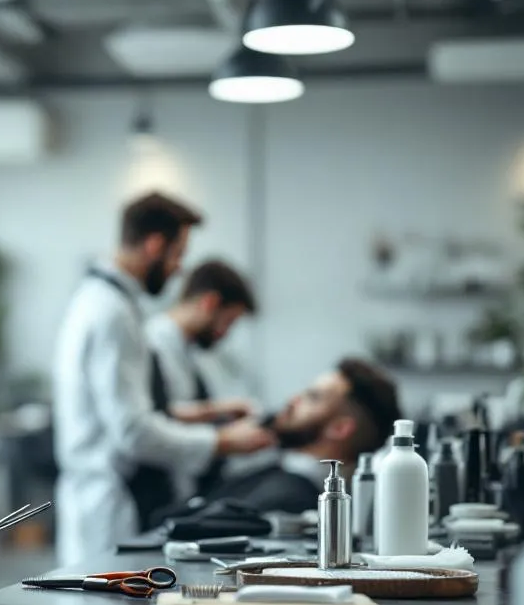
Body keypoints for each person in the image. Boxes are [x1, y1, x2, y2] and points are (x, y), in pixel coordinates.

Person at [50, 192, 276, 567]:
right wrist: (221, 441)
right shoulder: (112, 313)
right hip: (113, 504)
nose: (179, 269)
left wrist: (210, 416)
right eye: (178, 254)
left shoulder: (103, 302)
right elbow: (134, 431)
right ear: (155, 245)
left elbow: (137, 411)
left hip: (104, 497)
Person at [135, 259, 260, 523]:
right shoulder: (152, 345)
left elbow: (175, 408)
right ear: (210, 303)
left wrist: (220, 411)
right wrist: (224, 440)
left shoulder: (186, 348)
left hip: (175, 485)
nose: (225, 333)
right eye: (228, 321)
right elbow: (157, 417)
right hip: (142, 492)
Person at [210, 358, 402, 514]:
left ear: (340, 428)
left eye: (313, 397)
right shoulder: (279, 477)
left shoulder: (291, 502)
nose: (293, 400)